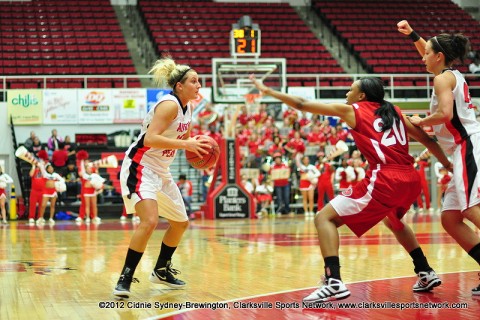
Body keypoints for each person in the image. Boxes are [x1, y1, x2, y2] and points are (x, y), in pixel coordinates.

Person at [250, 74, 452, 302]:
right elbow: (429, 141)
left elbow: (302, 105)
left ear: (362, 95)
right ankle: (425, 271)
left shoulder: (354, 110)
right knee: (394, 221)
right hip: (409, 178)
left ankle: (333, 281)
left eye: (350, 89)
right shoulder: (394, 111)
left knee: (323, 218)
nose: (347, 93)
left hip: (385, 178)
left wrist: (268, 92)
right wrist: (448, 165)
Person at [113, 57, 209, 299]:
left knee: (180, 222)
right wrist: (186, 142)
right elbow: (150, 139)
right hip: (140, 165)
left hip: (161, 170)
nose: (199, 85)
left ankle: (161, 270)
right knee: (150, 221)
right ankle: (125, 276)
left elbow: (184, 144)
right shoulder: (169, 105)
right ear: (179, 85)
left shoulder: (189, 107)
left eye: (199, 81)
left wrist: (202, 153)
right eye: (194, 81)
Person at [398, 20, 480, 295]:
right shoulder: (447, 73)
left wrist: (421, 122)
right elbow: (429, 49)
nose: (422, 57)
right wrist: (414, 36)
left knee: (470, 209)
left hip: (468, 144)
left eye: (426, 53)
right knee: (450, 218)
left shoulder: (442, 78)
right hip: (459, 149)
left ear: (438, 56)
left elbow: (445, 114)